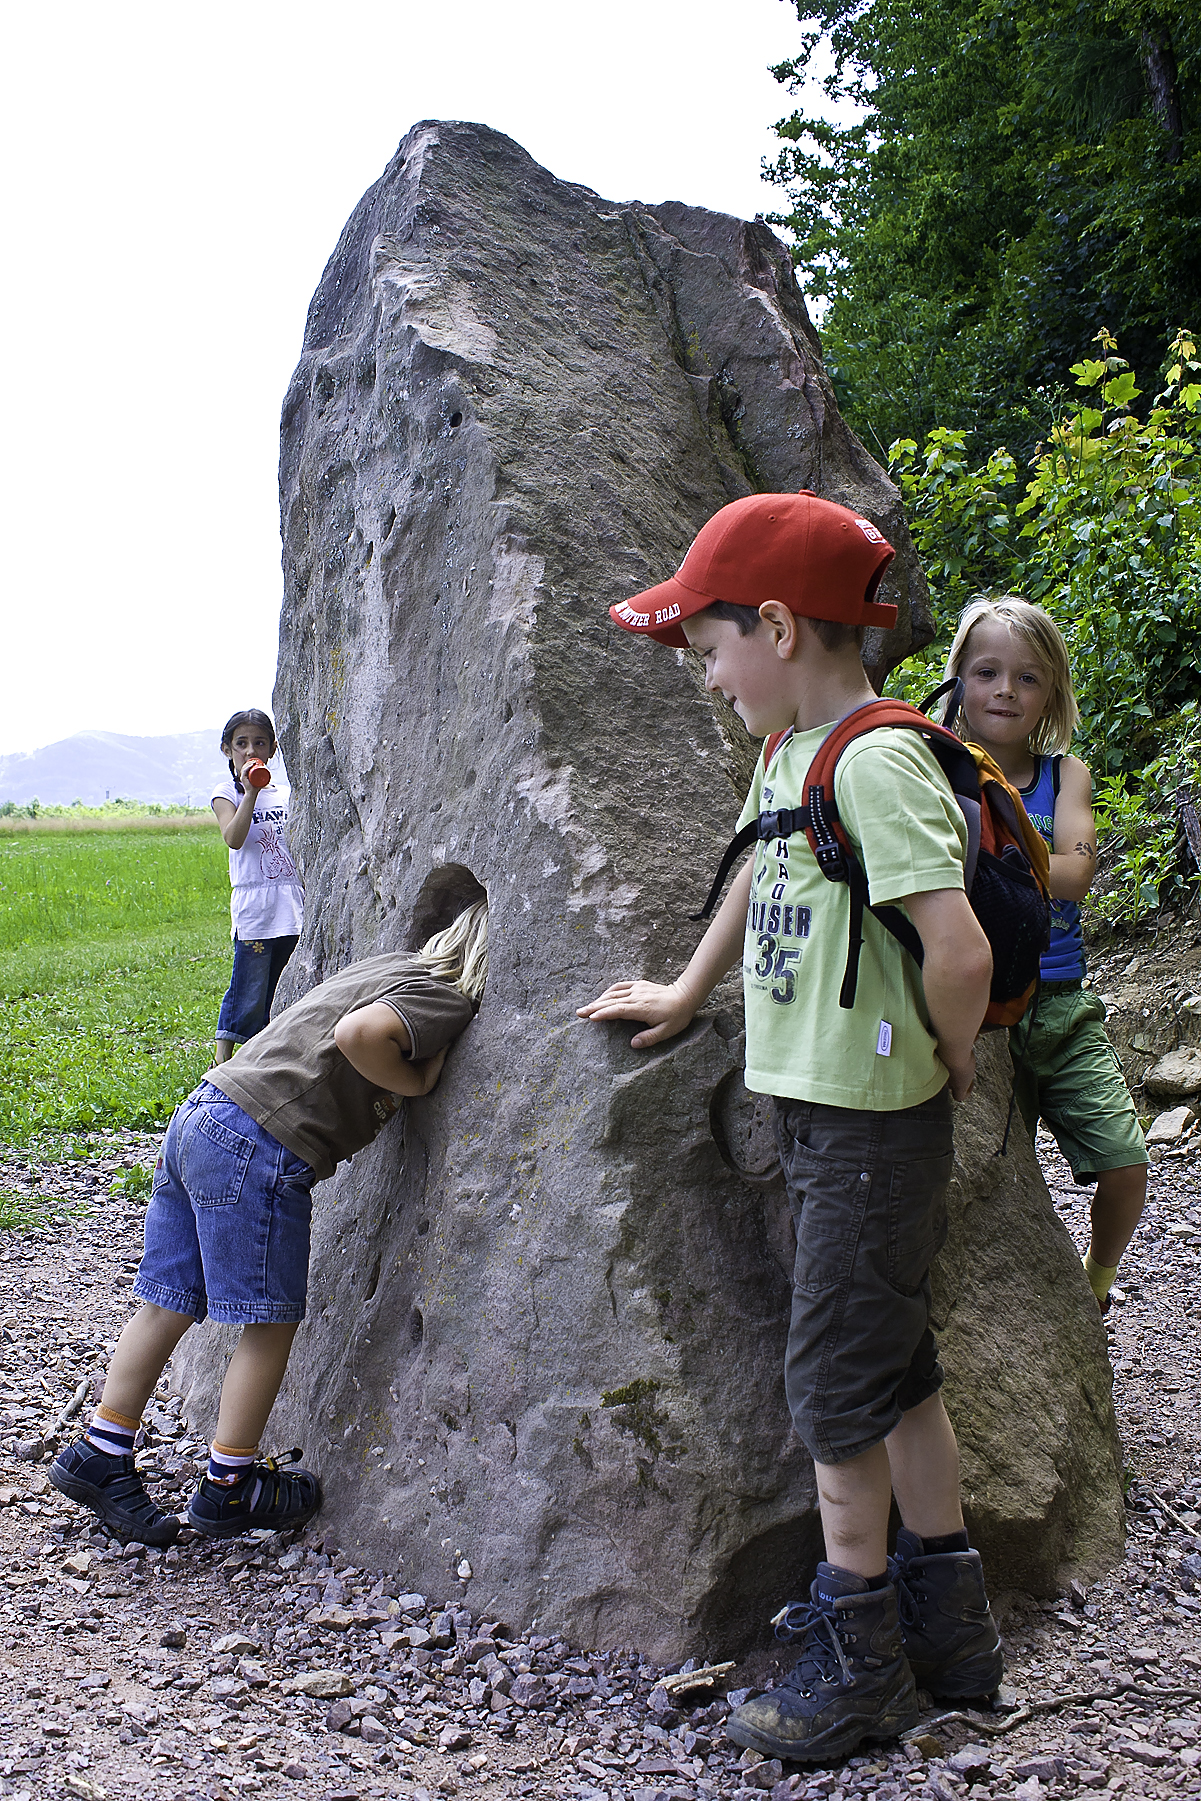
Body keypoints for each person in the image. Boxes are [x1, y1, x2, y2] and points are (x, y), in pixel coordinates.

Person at [578, 491, 1003, 1763]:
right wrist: (688, 987)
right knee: (898, 1366)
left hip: (877, 1123)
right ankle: (954, 1631)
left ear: (774, 621)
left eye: (709, 648)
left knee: (830, 1390)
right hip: (822, 1115)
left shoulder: (873, 758)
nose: (708, 677)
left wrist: (949, 1052)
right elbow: (767, 867)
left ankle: (858, 1653)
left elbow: (958, 944)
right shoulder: (792, 758)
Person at [49, 899, 488, 1545]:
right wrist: (417, 1081)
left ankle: (100, 1450)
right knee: (268, 1322)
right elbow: (361, 1035)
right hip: (259, 1142)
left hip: (204, 1110)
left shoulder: (393, 965)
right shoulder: (443, 994)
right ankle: (230, 1486)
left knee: (165, 1301)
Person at [945, 596, 1148, 1310]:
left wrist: (991, 851)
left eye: (1027, 678)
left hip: (1060, 1003)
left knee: (1125, 1162)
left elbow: (1077, 873)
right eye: (987, 671)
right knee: (997, 1175)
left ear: (1050, 692)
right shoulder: (935, 764)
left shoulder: (1066, 776)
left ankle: (1095, 1279)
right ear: (959, 679)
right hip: (975, 1007)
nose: (1005, 689)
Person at [211, 709, 305, 1063]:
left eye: (260, 743)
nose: (251, 750)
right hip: (254, 908)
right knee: (247, 987)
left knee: (280, 984)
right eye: (242, 743)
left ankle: (266, 1056)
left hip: (289, 900)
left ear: (273, 749)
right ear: (227, 750)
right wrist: (250, 792)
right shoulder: (226, 794)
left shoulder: (284, 794)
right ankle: (221, 1060)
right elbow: (234, 838)